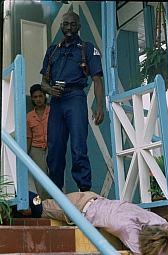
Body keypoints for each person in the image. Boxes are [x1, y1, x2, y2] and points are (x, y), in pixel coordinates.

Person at [40, 11, 104, 192]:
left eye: (73, 24)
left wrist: (99, 106)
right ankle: (55, 193)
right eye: (66, 24)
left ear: (79, 27)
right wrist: (48, 89)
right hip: (56, 101)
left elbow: (97, 80)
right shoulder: (52, 51)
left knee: (78, 147)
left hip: (75, 99)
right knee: (55, 149)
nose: (69, 28)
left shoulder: (87, 48)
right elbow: (44, 81)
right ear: (61, 25)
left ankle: (85, 191)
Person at [15, 191, 168, 255]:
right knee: (36, 209)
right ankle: (14, 197)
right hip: (78, 206)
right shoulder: (127, 229)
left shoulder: (158, 222)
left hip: (94, 199)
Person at [26, 84, 50, 200]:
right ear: (32, 98)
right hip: (36, 149)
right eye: (35, 97)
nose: (38, 99)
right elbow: (29, 137)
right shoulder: (29, 117)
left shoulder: (52, 111)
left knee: (54, 175)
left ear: (45, 96)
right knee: (40, 179)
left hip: (52, 147)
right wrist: (26, 154)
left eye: (40, 96)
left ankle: (56, 205)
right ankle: (45, 206)